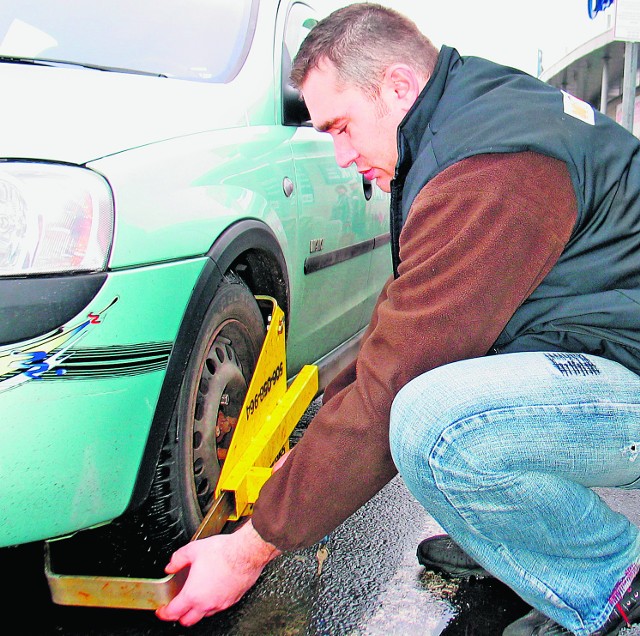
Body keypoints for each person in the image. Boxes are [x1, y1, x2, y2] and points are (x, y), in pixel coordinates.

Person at [156, 4, 640, 634]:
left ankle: (617, 587)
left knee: (435, 426)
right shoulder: (465, 117)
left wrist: (250, 548)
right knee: (439, 384)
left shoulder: (493, 166)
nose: (340, 155)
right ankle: (521, 542)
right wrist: (308, 450)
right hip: (609, 354)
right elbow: (407, 320)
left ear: (399, 88)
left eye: (342, 126)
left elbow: (398, 378)